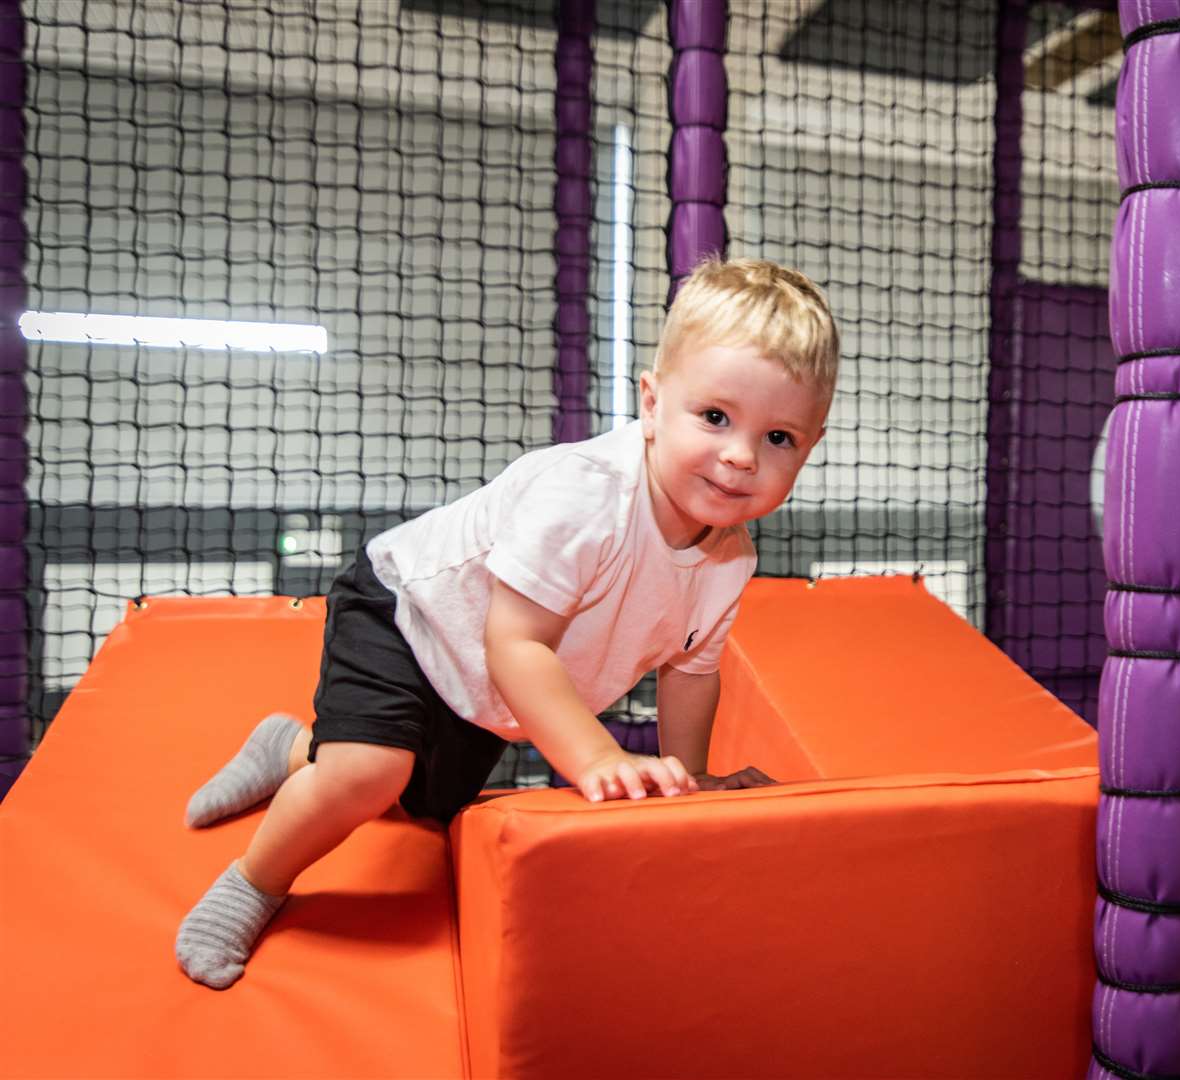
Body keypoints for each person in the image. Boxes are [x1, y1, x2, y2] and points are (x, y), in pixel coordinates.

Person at [175, 256, 839, 989]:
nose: (741, 455)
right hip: (410, 612)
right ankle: (253, 882)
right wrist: (595, 758)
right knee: (368, 772)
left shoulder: (729, 559)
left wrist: (696, 780)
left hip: (487, 690)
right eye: (714, 417)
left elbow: (691, 672)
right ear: (651, 405)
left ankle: (291, 749)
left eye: (780, 438)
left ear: (810, 446)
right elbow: (514, 641)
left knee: (423, 806)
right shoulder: (588, 498)